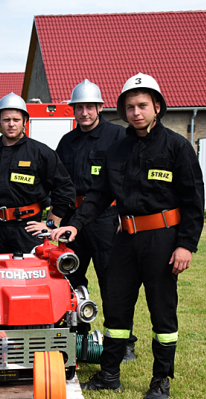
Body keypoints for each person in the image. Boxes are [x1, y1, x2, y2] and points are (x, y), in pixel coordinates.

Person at [52, 73, 205, 399]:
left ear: (157, 107)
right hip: (125, 238)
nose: (136, 112)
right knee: (117, 308)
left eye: (143, 106)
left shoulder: (177, 147)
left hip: (163, 240)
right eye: (130, 107)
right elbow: (99, 194)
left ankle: (161, 379)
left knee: (162, 312)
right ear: (123, 110)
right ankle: (109, 375)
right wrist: (76, 225)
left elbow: (194, 201)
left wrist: (185, 245)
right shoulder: (117, 149)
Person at [55, 81, 137, 360]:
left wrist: (123, 215)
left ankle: (124, 341)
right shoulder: (67, 141)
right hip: (72, 220)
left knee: (112, 281)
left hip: (105, 218)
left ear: (101, 107)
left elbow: (129, 180)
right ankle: (78, 335)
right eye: (79, 107)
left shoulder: (118, 136)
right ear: (73, 110)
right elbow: (58, 181)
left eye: (90, 107)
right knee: (69, 278)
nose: (84, 112)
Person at [0, 93, 75, 255]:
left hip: (29, 231)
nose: (11, 124)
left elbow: (64, 189)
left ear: (25, 121)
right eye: (6, 119)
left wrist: (50, 224)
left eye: (16, 120)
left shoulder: (41, 153)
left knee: (29, 278)